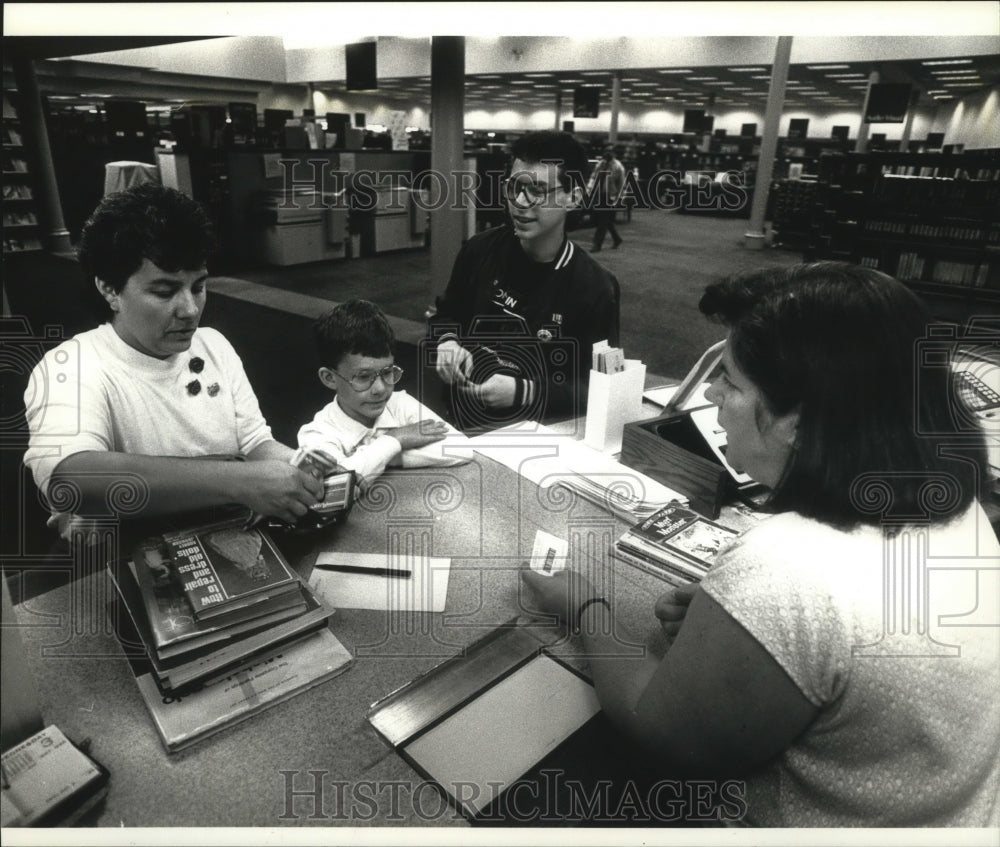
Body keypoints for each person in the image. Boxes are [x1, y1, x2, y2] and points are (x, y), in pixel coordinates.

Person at [522, 262, 1000, 827]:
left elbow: (665, 735)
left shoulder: (789, 566)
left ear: (798, 419)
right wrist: (748, 626)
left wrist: (586, 608)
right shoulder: (954, 501)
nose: (711, 393)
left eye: (730, 379)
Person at [22, 185, 323, 542]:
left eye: (198, 287)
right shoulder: (70, 365)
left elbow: (255, 441)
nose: (190, 310)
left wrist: (298, 469)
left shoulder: (213, 346)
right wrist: (240, 480)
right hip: (122, 559)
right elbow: (69, 479)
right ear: (109, 290)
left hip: (226, 538)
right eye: (164, 292)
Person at [431, 130, 620, 432]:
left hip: (535, 438)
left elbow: (598, 388)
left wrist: (524, 392)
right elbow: (446, 313)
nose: (520, 202)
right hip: (460, 422)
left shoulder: (595, 288)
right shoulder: (479, 250)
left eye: (538, 191)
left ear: (574, 197)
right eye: (514, 187)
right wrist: (447, 342)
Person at [298, 299, 471, 490]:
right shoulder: (316, 433)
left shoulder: (400, 404)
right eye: (363, 377)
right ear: (329, 378)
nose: (380, 388)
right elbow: (338, 487)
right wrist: (395, 440)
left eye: (388, 372)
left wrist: (390, 456)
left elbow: (462, 448)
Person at [587, 144, 626, 252]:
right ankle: (617, 239)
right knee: (604, 220)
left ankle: (597, 244)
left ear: (614, 153)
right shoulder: (600, 164)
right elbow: (593, 177)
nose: (607, 153)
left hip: (610, 198)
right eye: (605, 150)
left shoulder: (618, 167)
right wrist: (589, 190)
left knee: (602, 221)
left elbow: (622, 185)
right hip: (599, 195)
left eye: (610, 151)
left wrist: (619, 199)